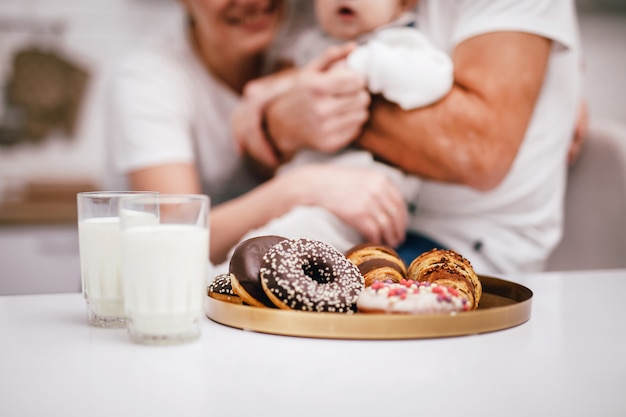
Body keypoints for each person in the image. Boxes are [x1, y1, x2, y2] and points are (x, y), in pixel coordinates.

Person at [237, 0, 584, 274]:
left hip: (462, 242)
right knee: (266, 254)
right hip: (340, 204)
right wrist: (284, 106)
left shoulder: (396, 44)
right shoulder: (326, 28)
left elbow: (478, 151)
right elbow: (259, 126)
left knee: (284, 268)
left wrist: (319, 92)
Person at [105, 0, 407, 273]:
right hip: (159, 297)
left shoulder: (306, 24)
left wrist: (274, 88)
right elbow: (172, 235)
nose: (254, 2)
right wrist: (303, 187)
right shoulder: (147, 78)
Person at [226, 0, 454, 269]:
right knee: (260, 238)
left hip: (361, 195)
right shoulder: (312, 43)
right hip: (303, 186)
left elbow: (436, 77)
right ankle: (234, 278)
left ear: (402, 6)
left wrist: (358, 65)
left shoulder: (399, 44)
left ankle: (243, 279)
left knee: (290, 241)